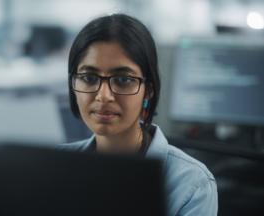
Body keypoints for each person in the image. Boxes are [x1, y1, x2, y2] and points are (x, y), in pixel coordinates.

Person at [59, 13, 218, 216]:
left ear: (148, 90)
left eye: (123, 79)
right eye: (88, 77)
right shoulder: (56, 167)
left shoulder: (191, 184)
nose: (103, 96)